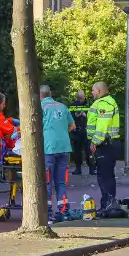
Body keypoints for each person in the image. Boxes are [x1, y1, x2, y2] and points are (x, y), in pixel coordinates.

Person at [41, 85, 75, 219]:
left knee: (47, 181)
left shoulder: (41, 107)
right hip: (64, 147)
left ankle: (47, 211)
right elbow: (72, 125)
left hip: (49, 148)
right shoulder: (62, 106)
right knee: (60, 182)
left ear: (40, 96)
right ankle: (64, 210)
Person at [87, 81, 121, 209]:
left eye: (93, 90)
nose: (92, 93)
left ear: (99, 91)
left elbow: (102, 126)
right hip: (108, 143)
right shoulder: (107, 102)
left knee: (105, 176)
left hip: (105, 144)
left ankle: (108, 204)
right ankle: (107, 203)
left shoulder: (104, 104)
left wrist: (94, 142)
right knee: (105, 175)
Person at [69, 89, 92, 175]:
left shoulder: (89, 104)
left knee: (89, 150)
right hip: (77, 131)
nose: (80, 99)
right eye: (79, 98)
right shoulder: (73, 105)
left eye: (82, 97)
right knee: (77, 151)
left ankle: (92, 168)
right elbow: (70, 117)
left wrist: (85, 115)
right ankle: (78, 168)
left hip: (86, 130)